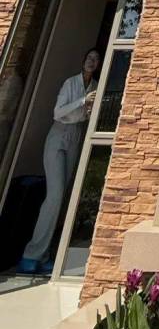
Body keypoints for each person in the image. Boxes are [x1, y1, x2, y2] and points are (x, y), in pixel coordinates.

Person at [17, 48, 100, 275]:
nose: (92, 61)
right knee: (54, 195)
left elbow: (87, 116)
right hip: (59, 134)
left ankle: (44, 255)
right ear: (83, 60)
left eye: (96, 59)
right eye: (89, 58)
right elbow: (57, 112)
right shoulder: (70, 83)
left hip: (76, 134)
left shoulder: (95, 86)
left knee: (62, 196)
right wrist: (82, 101)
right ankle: (31, 253)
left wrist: (89, 109)